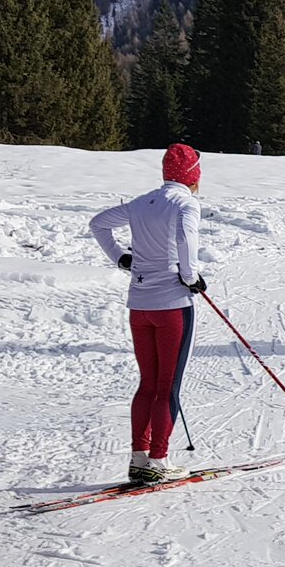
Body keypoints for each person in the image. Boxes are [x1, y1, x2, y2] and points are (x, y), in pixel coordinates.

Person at [88, 144, 209, 483]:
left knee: (147, 384)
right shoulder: (186, 203)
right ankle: (158, 461)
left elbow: (98, 223)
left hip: (140, 306)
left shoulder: (143, 202)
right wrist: (190, 276)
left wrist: (121, 257)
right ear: (193, 175)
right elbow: (187, 240)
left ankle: (139, 458)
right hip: (172, 306)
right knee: (167, 387)